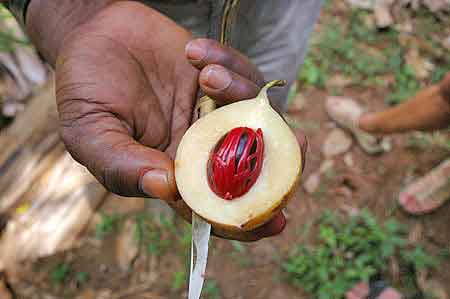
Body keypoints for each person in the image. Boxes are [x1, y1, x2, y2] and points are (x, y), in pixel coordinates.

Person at [2, 0, 321, 241]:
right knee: (168, 144)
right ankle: (166, 199)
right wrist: (67, 13)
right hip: (144, 10)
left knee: (265, 70)